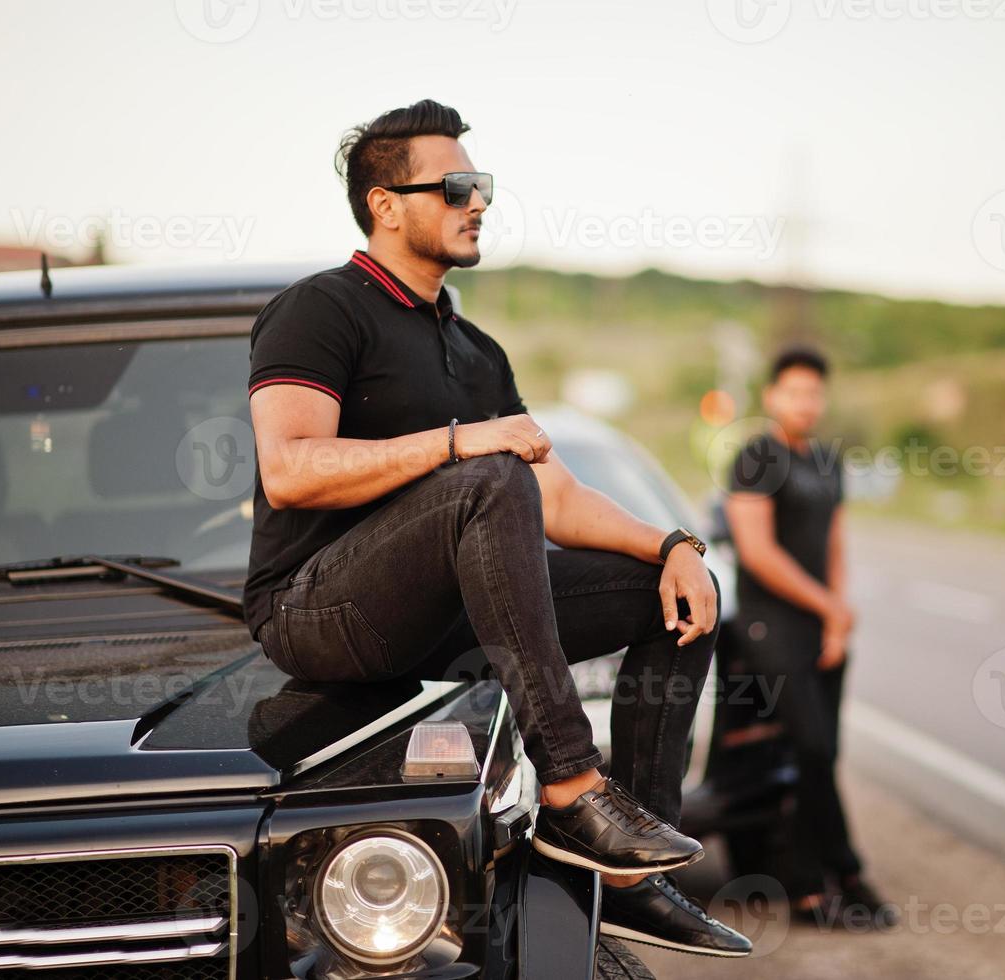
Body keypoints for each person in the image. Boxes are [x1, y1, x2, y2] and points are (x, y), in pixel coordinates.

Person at [244, 99, 751, 957]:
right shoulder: (321, 309)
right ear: (386, 203)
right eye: (456, 186)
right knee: (486, 475)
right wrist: (460, 443)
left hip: (437, 614)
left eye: (482, 186)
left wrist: (670, 547)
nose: (479, 201)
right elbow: (290, 469)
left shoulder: (475, 350)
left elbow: (553, 497)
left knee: (672, 595)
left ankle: (628, 876)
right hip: (317, 611)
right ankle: (570, 787)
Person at [723, 345, 892, 928]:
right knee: (813, 749)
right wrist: (826, 606)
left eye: (814, 392)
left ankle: (804, 886)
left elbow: (836, 541)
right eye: (794, 391)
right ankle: (846, 871)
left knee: (823, 755)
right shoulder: (754, 457)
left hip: (822, 626)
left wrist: (838, 614)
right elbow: (757, 552)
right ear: (772, 396)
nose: (806, 402)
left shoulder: (828, 461)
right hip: (771, 625)